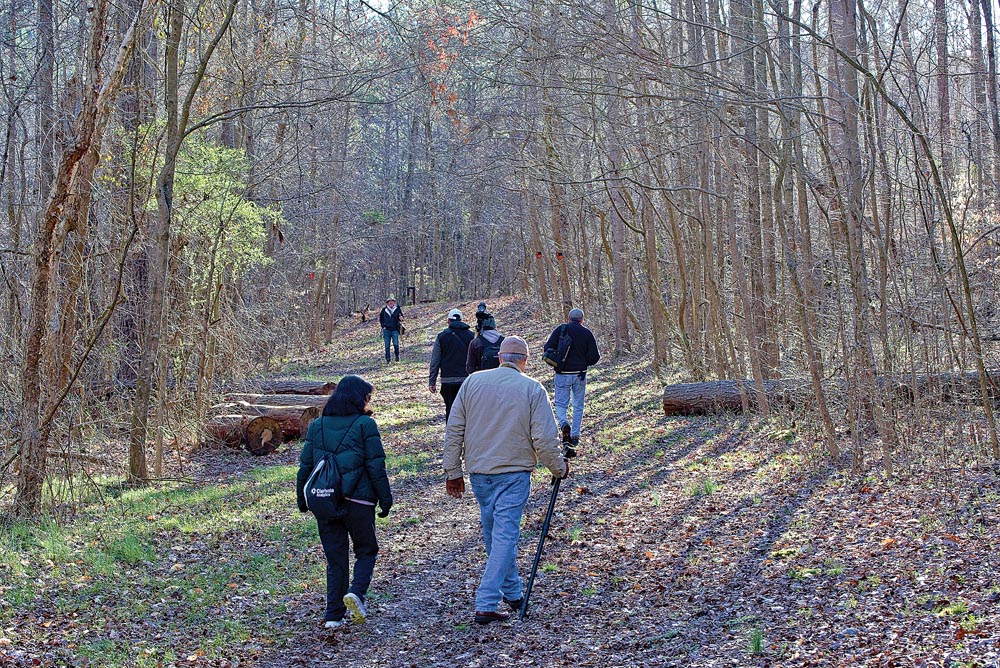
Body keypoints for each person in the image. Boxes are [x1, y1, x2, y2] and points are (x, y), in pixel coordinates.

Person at [443, 335, 569, 625]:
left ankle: (512, 593)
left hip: (480, 474)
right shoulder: (532, 388)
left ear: (499, 357)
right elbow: (544, 438)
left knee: (495, 536)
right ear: (524, 362)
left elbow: (454, 430)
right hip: (513, 474)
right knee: (504, 537)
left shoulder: (472, 382)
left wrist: (453, 472)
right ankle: (486, 602)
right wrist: (558, 467)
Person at [296, 375, 393, 629]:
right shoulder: (365, 424)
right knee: (366, 550)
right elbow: (375, 465)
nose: (368, 401)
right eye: (367, 397)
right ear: (357, 398)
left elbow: (306, 465)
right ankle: (357, 592)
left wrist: (302, 498)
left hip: (324, 500)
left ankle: (333, 615)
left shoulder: (317, 426)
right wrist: (385, 498)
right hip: (358, 500)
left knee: (335, 559)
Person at [543, 307, 601, 457]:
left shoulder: (561, 330)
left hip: (562, 373)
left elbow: (547, 348)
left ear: (568, 318)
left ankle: (563, 424)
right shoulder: (587, 333)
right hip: (580, 374)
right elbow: (595, 357)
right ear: (582, 320)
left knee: (561, 404)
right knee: (578, 405)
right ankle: (575, 436)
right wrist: (584, 363)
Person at [429, 308, 474, 422]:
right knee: (467, 412)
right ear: (462, 320)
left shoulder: (441, 337)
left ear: (448, 321)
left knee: (450, 410)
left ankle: (451, 436)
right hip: (467, 380)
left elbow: (435, 360)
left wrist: (432, 381)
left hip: (447, 380)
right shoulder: (472, 336)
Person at [379, 296, 404, 364]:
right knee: (387, 346)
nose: (391, 303)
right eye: (389, 302)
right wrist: (383, 326)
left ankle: (397, 357)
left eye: (392, 301)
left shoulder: (397, 309)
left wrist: (401, 318)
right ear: (387, 303)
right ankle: (388, 360)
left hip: (395, 329)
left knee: (396, 344)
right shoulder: (384, 310)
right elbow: (381, 319)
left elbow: (401, 317)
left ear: (394, 302)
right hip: (386, 330)